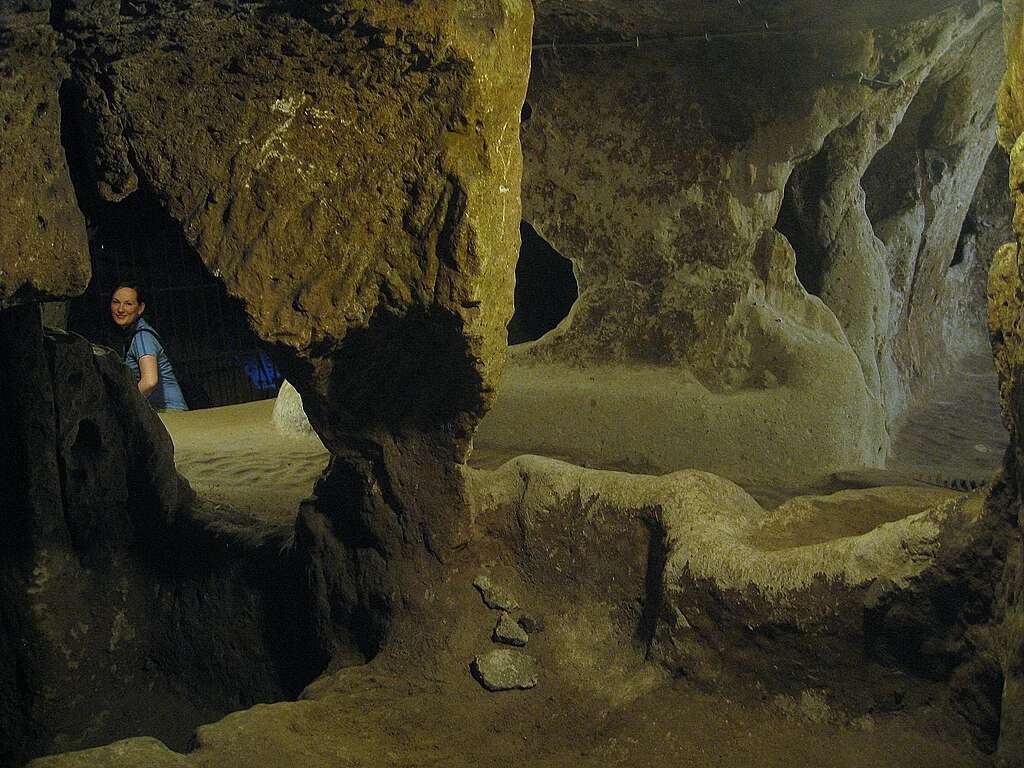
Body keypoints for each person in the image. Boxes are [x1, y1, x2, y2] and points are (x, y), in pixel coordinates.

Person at [110, 283, 188, 411]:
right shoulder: (133, 333)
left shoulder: (142, 337)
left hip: (168, 411)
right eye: (116, 302)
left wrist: (123, 404)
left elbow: (150, 381)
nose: (120, 309)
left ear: (140, 309)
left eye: (128, 304)